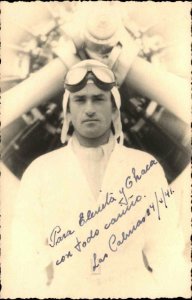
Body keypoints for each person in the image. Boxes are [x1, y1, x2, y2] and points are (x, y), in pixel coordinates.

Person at [9, 59, 189, 298]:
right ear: (68, 112)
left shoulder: (146, 169)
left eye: (99, 99)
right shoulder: (40, 171)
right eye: (80, 100)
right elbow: (26, 260)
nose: (90, 108)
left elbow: (167, 254)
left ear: (114, 109)